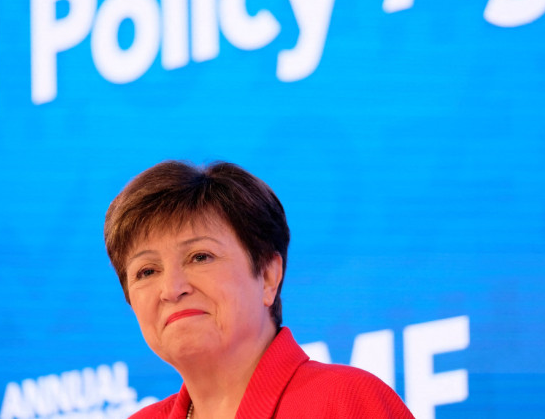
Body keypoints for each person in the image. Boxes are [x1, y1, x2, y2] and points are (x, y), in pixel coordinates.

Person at [104, 160, 415, 419]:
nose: (172, 289)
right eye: (146, 271)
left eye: (200, 257)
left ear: (268, 275)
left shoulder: (344, 402)